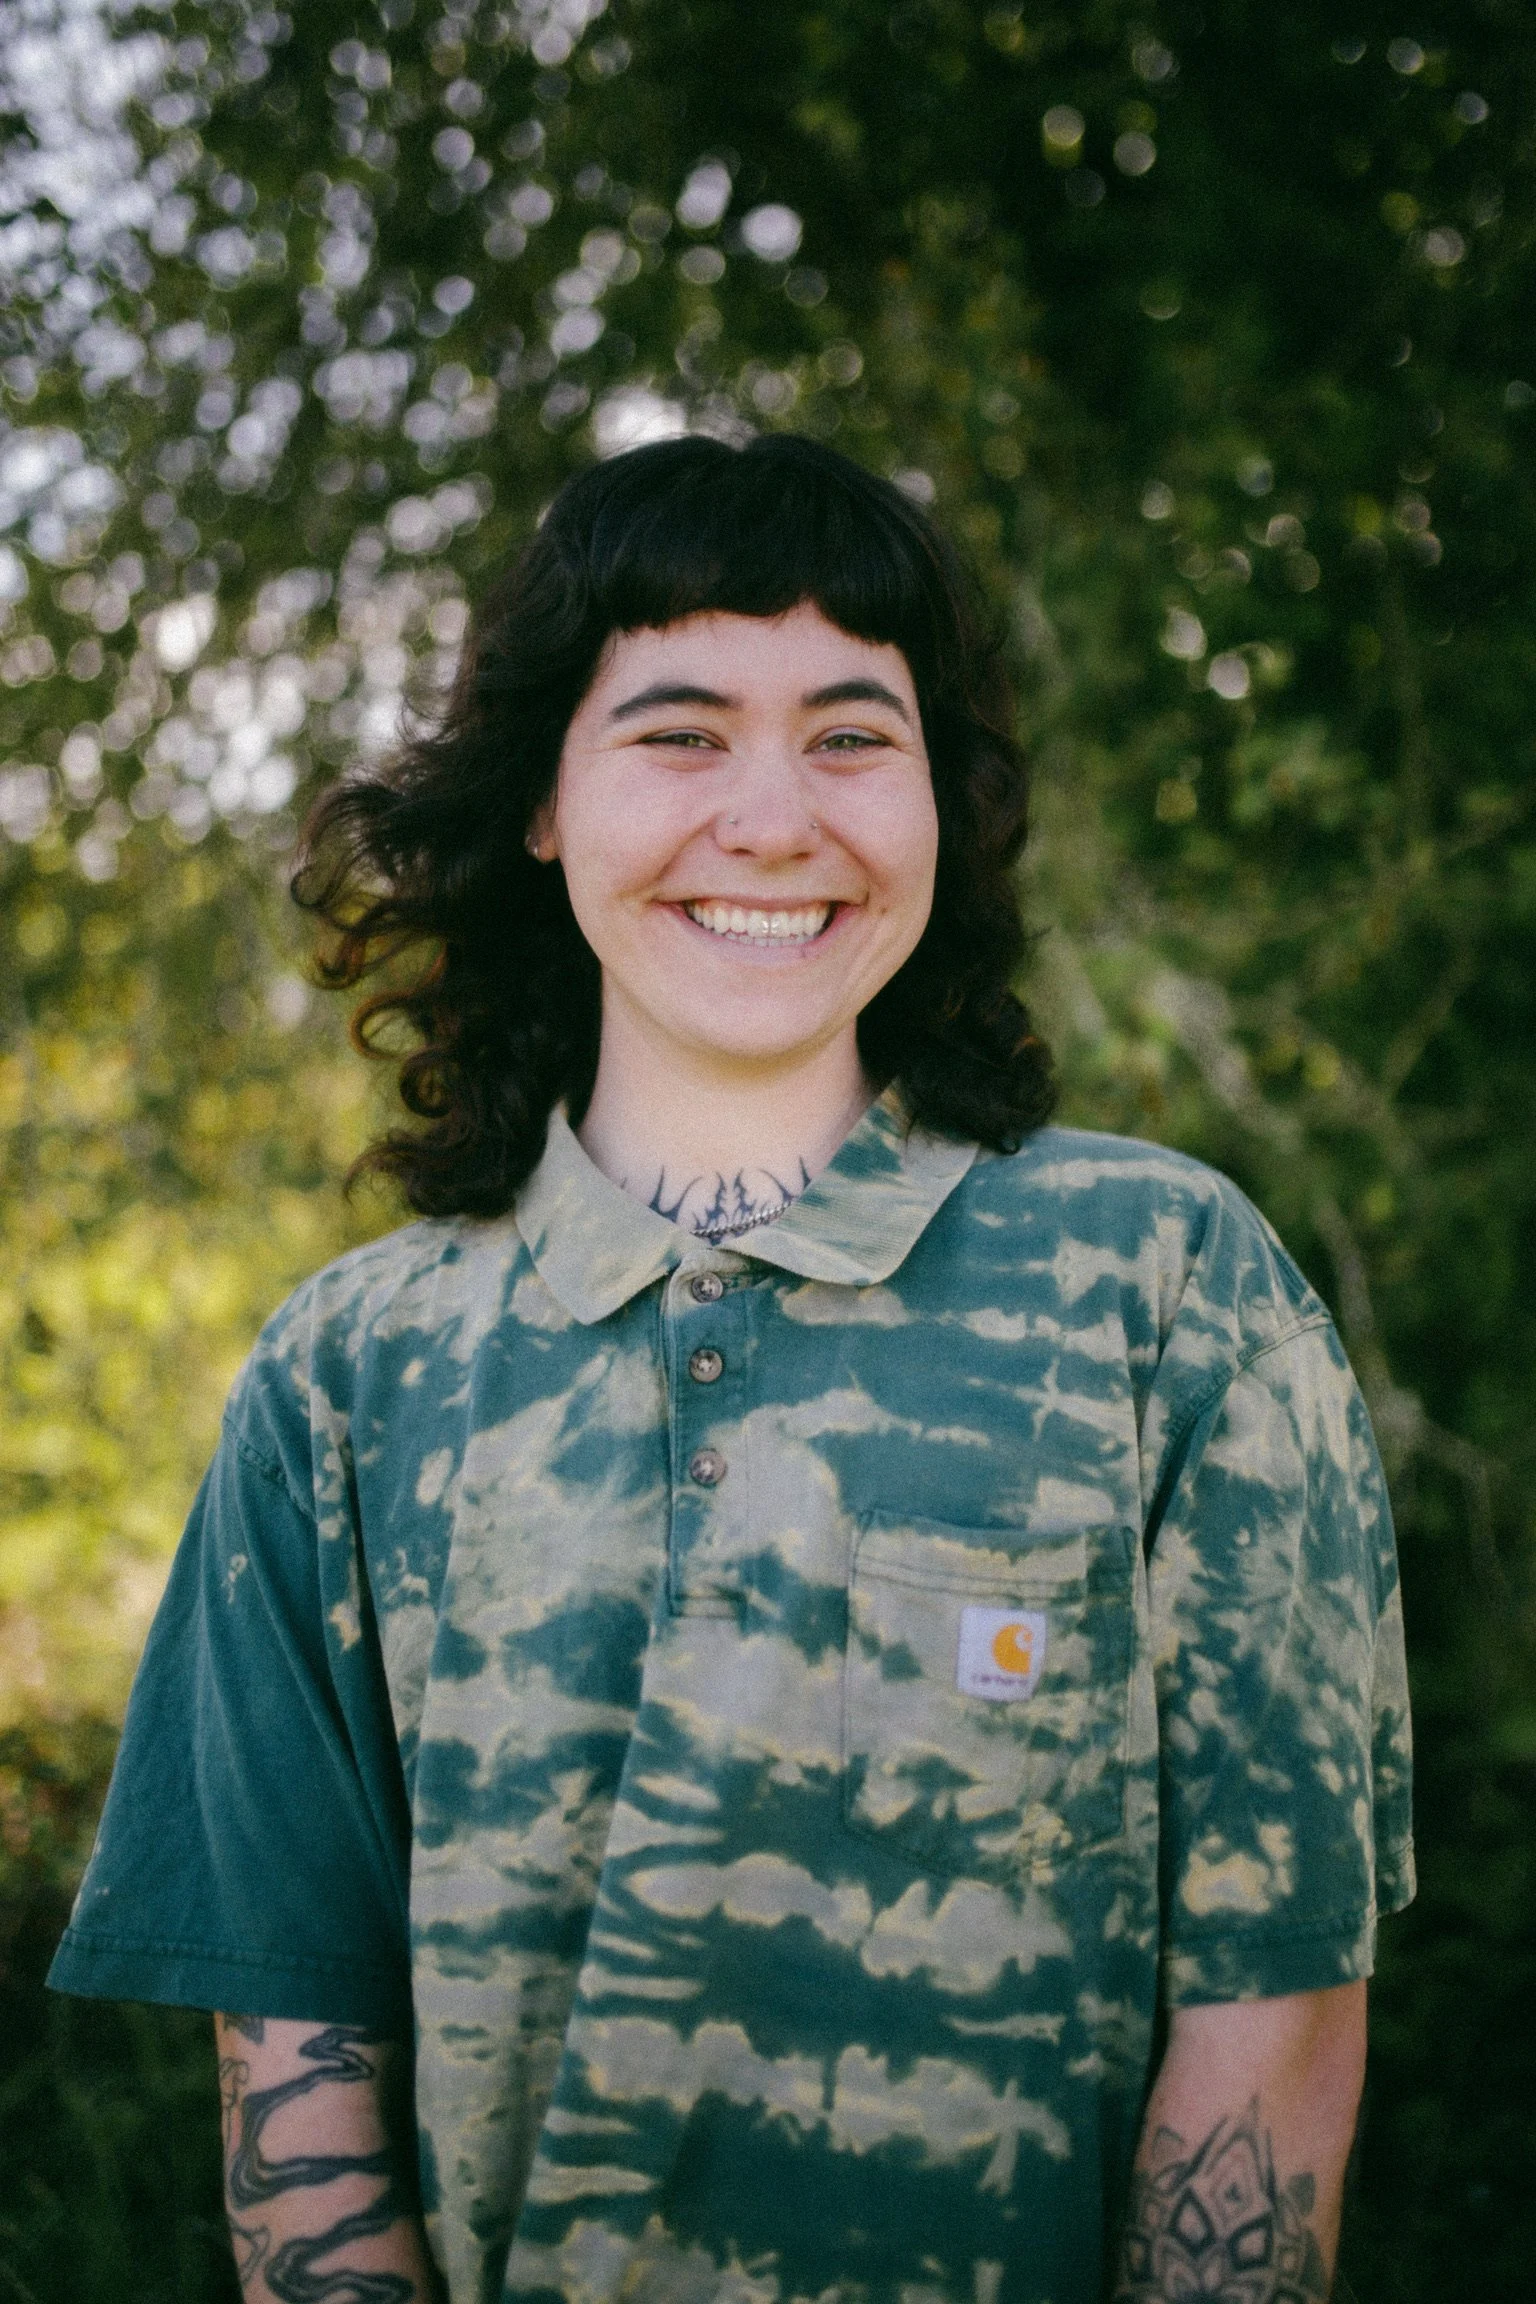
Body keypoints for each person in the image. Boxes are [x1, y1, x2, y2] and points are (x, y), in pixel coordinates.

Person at [48, 433, 1414, 2304]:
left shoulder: (1173, 1295)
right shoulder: (345, 1381)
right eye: (680, 733)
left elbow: (1278, 2012)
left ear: (941, 802)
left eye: (853, 735)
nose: (774, 819)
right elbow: (297, 2082)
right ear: (543, 801)